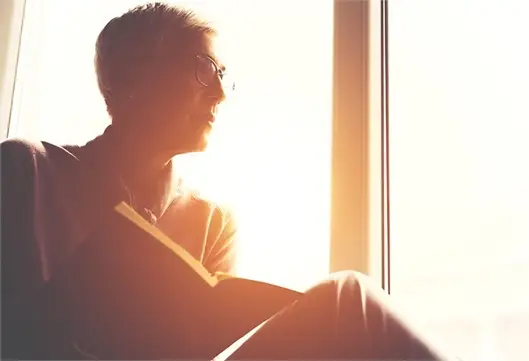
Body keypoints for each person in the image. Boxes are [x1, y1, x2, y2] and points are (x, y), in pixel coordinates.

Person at [0, 2, 455, 360]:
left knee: (349, 310)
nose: (218, 92)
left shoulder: (212, 221)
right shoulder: (28, 170)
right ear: (133, 79)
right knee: (348, 299)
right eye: (202, 69)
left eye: (222, 76)